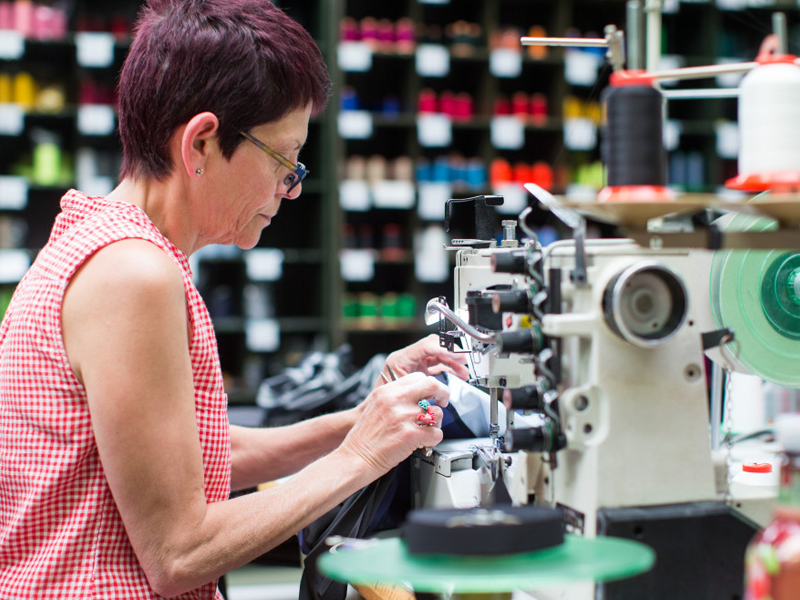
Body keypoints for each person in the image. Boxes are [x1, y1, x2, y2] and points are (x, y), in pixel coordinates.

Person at [0, 1, 468, 598]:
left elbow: (198, 452)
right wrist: (359, 457)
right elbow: (179, 551)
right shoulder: (132, 274)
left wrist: (367, 420)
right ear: (200, 143)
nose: (289, 189)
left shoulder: (96, 239)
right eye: (283, 160)